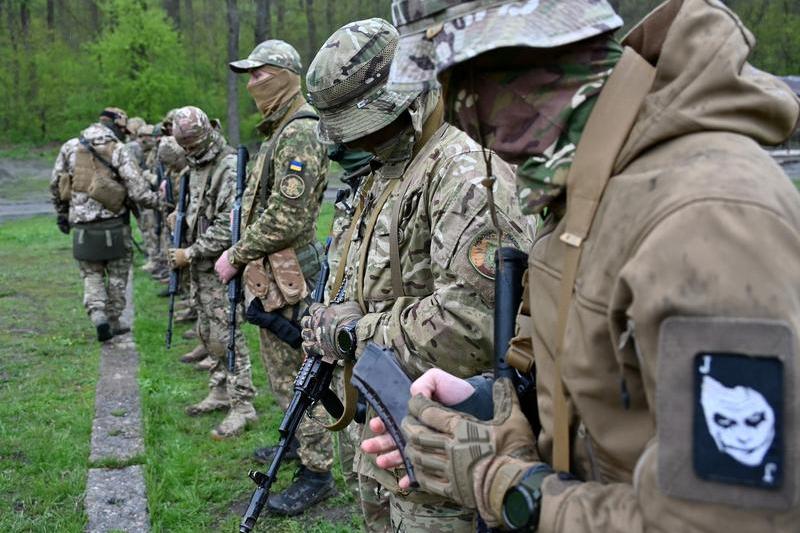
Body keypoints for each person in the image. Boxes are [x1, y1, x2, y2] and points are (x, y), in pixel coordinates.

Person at [363, 0, 800, 531]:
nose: (466, 120)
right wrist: (485, 406)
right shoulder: (583, 192)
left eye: (467, 83)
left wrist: (504, 486)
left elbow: (726, 519)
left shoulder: (707, 219)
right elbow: (600, 401)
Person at [301, 18, 530, 531]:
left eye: (366, 127)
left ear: (409, 102)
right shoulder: (389, 166)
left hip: (440, 441)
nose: (357, 144)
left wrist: (351, 334)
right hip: (382, 423)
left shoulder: (466, 174)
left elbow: (475, 323)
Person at [213, 39, 336, 515]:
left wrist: (236, 255)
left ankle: (317, 469)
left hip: (291, 276)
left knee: (301, 376)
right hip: (272, 275)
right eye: (248, 75)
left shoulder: (300, 131)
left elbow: (287, 216)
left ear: (286, 74)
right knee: (282, 375)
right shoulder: (278, 129)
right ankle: (297, 447)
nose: (252, 83)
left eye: (261, 73)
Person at [169, 106, 258, 440]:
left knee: (229, 335)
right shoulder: (195, 167)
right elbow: (196, 209)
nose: (189, 150)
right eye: (184, 145)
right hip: (200, 267)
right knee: (208, 332)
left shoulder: (228, 166)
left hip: (220, 265)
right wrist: (179, 219)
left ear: (206, 134)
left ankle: (243, 403)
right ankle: (219, 388)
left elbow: (229, 224)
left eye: (192, 143)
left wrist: (190, 251)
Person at [50, 107, 162, 341]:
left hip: (83, 229)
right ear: (116, 126)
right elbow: (138, 190)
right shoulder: (118, 149)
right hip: (115, 226)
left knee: (91, 274)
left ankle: (97, 312)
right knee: (119, 276)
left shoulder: (70, 147)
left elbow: (57, 185)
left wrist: (62, 215)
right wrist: (161, 203)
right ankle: (113, 320)